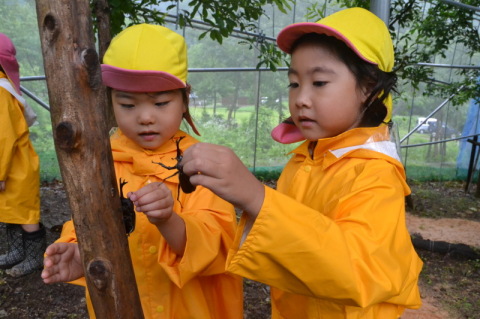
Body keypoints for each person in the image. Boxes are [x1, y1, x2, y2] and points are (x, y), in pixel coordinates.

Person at [181, 7, 423, 318]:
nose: (301, 98)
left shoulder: (375, 172)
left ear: (368, 88)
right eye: (294, 84)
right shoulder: (306, 158)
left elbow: (359, 269)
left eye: (319, 82)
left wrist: (257, 198)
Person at [41, 24, 243, 319]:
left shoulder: (205, 163)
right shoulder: (98, 163)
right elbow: (85, 223)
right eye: (128, 104)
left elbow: (220, 246)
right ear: (110, 102)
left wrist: (169, 220)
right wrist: (80, 253)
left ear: (184, 98)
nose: (146, 117)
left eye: (161, 103)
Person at [0, 33, 46, 277]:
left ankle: (34, 258)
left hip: (14, 167)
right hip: (13, 165)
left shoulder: (0, 93)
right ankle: (18, 252)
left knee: (26, 214)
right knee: (11, 210)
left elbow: (3, 137)